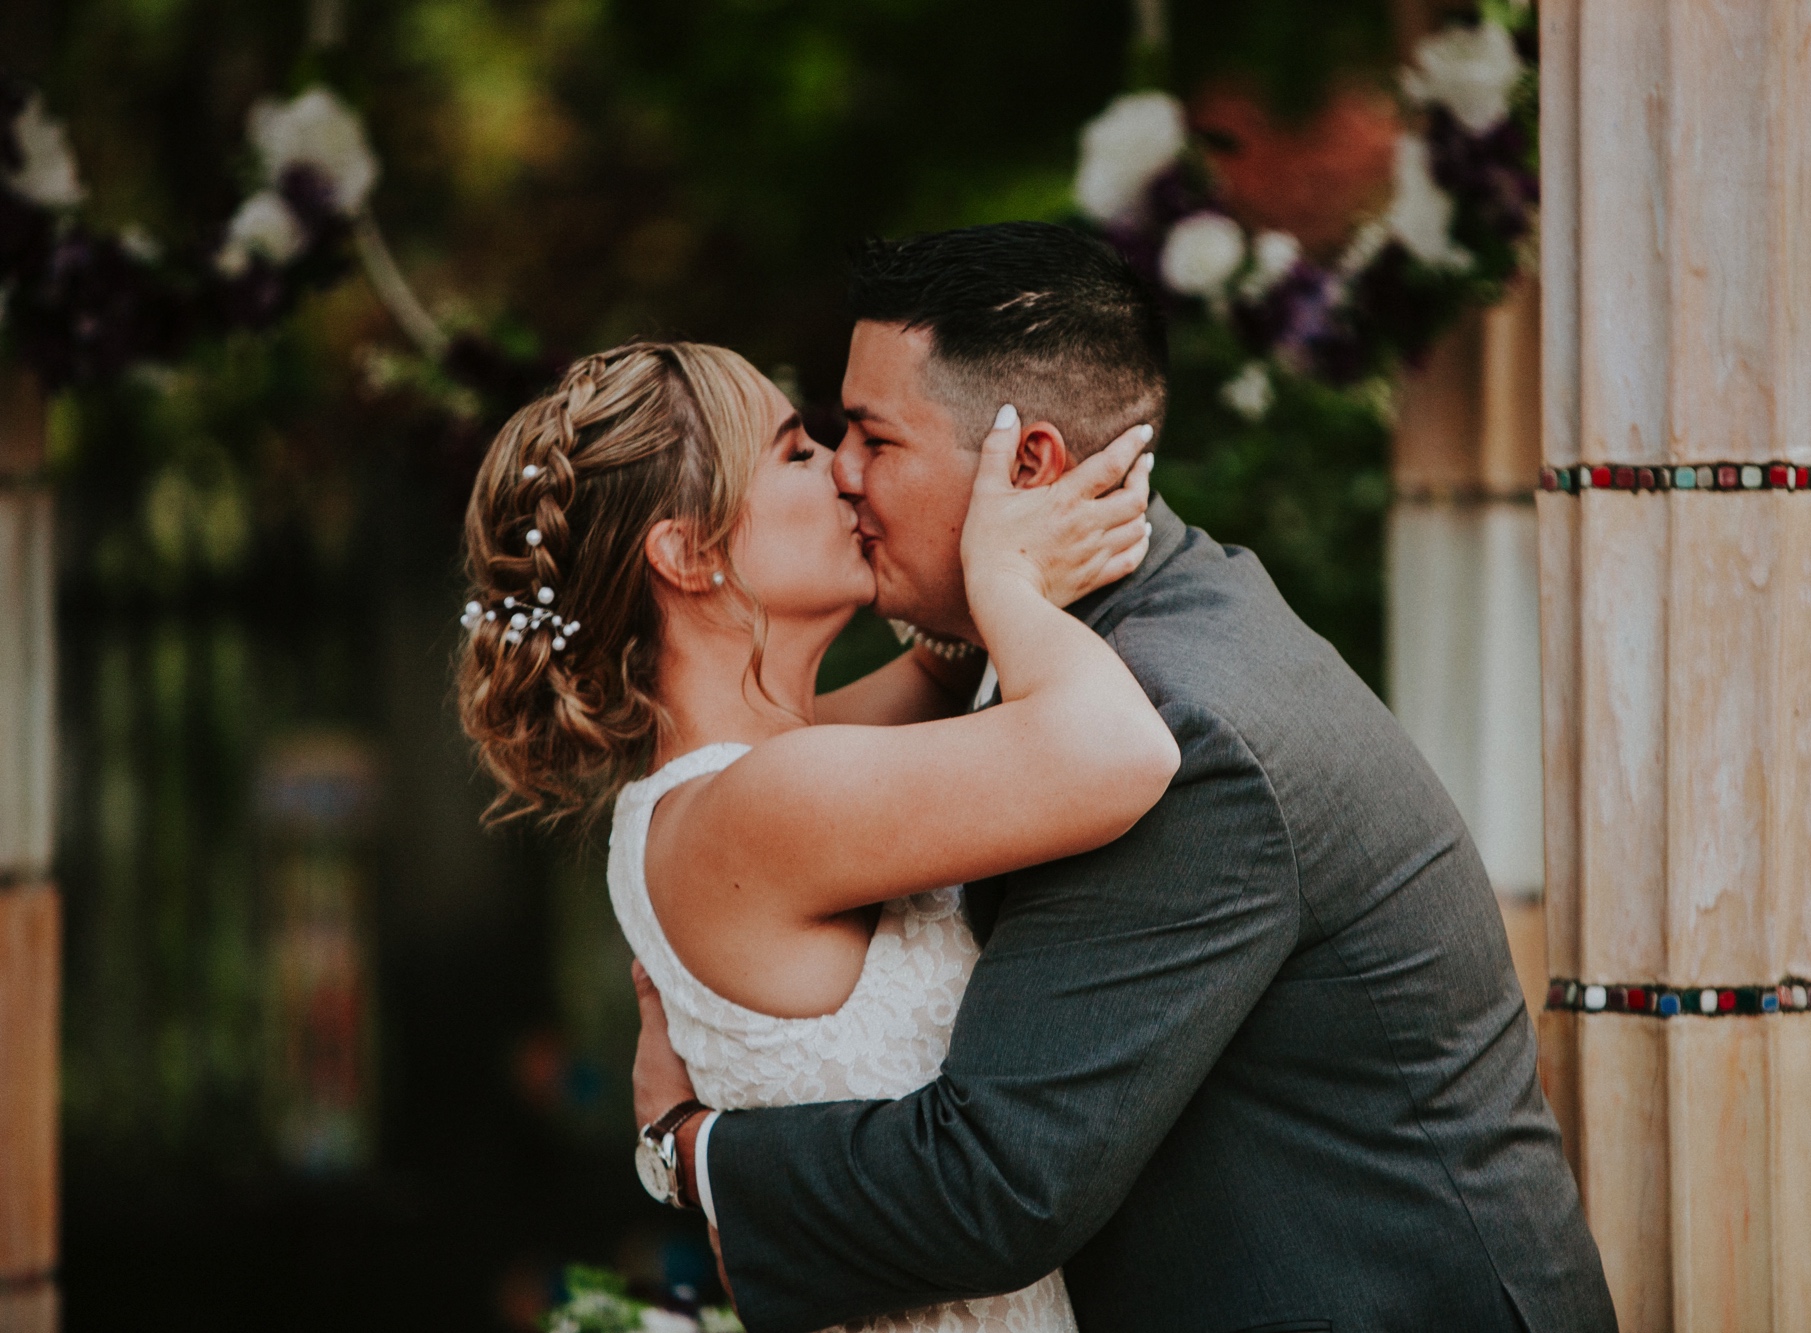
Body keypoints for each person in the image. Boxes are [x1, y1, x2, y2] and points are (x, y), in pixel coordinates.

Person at [632, 223, 1618, 1333]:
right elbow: (763, 770)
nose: (846, 477)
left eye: (869, 439)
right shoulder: (1108, 632)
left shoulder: (1172, 724)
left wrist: (691, 1148)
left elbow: (996, 1183)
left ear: (1028, 467)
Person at [456, 337, 1174, 1332]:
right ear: (689, 552)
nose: (845, 468)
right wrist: (1005, 583)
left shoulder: (747, 776)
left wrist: (963, 542)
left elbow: (939, 669)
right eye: (796, 453)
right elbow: (1119, 752)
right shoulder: (769, 802)